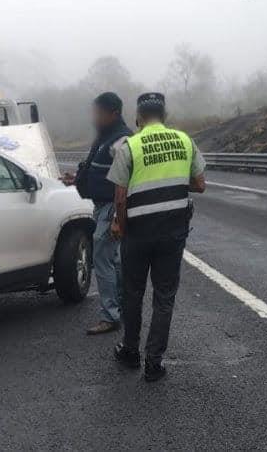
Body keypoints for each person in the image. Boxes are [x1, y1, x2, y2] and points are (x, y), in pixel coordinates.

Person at [106, 92, 206, 382]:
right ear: (165, 117)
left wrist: (118, 225)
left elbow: (120, 196)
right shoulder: (184, 141)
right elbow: (200, 184)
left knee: (133, 293)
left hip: (138, 233)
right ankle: (154, 362)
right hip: (173, 232)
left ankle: (130, 351)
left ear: (138, 118)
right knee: (164, 296)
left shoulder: (131, 145)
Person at [62, 92, 133, 335]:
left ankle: (111, 316)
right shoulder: (106, 137)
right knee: (113, 261)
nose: (94, 118)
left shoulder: (121, 140)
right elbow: (100, 172)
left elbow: (126, 180)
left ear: (113, 113)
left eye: (98, 113)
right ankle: (121, 310)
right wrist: (78, 179)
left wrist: (117, 218)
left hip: (111, 206)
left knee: (102, 261)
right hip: (102, 205)